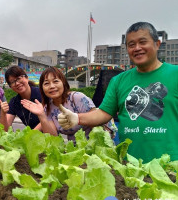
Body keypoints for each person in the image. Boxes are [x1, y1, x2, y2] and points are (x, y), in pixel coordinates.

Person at [58, 22, 178, 163]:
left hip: (171, 166)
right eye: (131, 44)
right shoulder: (119, 81)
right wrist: (77, 118)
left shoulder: (174, 75)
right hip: (131, 166)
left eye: (143, 42)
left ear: (157, 44)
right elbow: (104, 113)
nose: (137, 48)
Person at [21, 66, 96, 142]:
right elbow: (54, 138)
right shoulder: (47, 108)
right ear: (42, 88)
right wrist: (41, 115)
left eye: (56, 81)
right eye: (46, 83)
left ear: (63, 83)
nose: (52, 86)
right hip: (74, 149)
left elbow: (97, 123)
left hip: (94, 145)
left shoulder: (77, 98)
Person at [0, 66, 42, 131]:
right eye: (12, 82)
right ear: (10, 87)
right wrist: (3, 113)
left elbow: (49, 118)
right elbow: (6, 129)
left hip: (50, 137)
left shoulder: (42, 94)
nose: (17, 83)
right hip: (33, 138)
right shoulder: (14, 102)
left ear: (27, 78)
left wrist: (29, 135)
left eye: (18, 78)